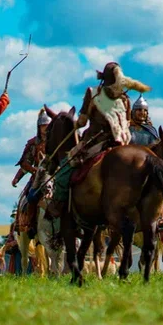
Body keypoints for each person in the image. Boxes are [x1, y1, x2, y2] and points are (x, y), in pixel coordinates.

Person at [48, 61, 150, 223]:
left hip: (95, 143)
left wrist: (77, 125)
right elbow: (127, 123)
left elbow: (82, 121)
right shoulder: (125, 99)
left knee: (63, 172)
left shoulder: (93, 94)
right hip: (122, 143)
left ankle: (58, 204)